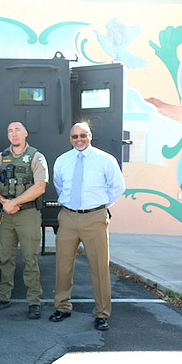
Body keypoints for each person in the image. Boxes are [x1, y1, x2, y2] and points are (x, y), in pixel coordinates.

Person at [50, 122, 125, 331]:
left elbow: (118, 187)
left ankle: (102, 313)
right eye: (75, 136)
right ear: (70, 139)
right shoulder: (62, 161)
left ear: (90, 136)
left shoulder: (105, 160)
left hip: (95, 218)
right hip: (68, 217)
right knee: (63, 265)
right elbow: (59, 185)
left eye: (83, 135)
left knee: (99, 267)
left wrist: (100, 206)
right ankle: (62, 307)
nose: (79, 139)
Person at [0, 122, 48, 320]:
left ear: (25, 133)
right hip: (7, 214)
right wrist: (4, 202)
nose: (14, 134)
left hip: (27, 214)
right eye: (10, 131)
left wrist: (15, 202)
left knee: (30, 259)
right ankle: (3, 297)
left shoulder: (37, 157)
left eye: (17, 130)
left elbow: (40, 187)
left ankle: (34, 302)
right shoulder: (1, 157)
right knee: (5, 257)